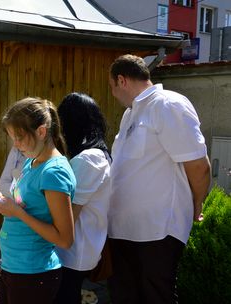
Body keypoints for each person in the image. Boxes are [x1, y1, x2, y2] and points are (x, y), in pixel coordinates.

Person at [107, 54, 211, 304]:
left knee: (156, 297)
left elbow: (198, 165)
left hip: (157, 231)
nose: (112, 94)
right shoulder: (129, 115)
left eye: (111, 87)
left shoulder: (167, 104)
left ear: (121, 80)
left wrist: (196, 203)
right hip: (124, 230)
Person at [0, 97, 76, 304]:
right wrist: (6, 203)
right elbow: (24, 200)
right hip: (13, 267)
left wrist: (17, 212)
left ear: (42, 132)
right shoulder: (32, 161)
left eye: (19, 138)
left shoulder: (54, 172)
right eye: (12, 139)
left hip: (33, 274)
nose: (16, 146)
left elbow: (65, 239)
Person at [54, 92, 111, 304]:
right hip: (78, 247)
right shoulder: (96, 155)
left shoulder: (88, 159)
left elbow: (68, 214)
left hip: (74, 251)